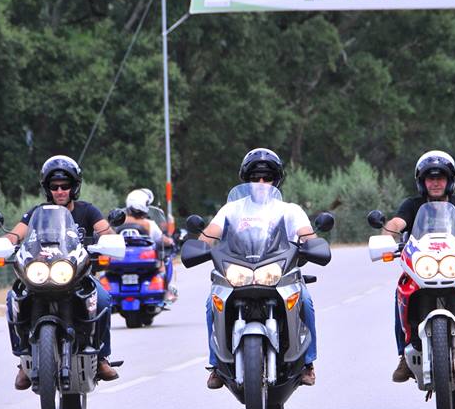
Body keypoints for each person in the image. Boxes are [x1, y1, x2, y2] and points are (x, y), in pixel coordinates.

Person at [196, 148, 318, 389]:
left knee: (305, 301)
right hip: (238, 272)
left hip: (279, 274)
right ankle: (217, 365)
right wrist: (201, 245)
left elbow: (307, 235)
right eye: (255, 178)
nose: (261, 183)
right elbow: (210, 235)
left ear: (276, 180)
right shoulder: (232, 209)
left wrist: (312, 244)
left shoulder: (289, 210)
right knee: (212, 304)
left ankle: (307, 363)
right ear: (246, 180)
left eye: (267, 177)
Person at [380, 150, 455, 382]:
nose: (435, 182)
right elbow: (397, 223)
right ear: (422, 182)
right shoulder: (413, 205)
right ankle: (404, 355)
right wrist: (388, 235)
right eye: (430, 178)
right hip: (421, 269)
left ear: (450, 180)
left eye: (440, 177)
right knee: (401, 292)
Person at [5, 155, 119, 389]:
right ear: (47, 189)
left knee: (104, 299)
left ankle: (102, 357)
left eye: (64, 186)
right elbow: (16, 234)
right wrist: (6, 243)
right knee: (12, 299)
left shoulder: (87, 211)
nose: (59, 191)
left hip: (78, 276)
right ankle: (24, 358)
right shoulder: (37, 213)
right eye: (54, 186)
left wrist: (106, 241)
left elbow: (107, 233)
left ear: (74, 187)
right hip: (40, 275)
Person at [122, 188, 176, 300]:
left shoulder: (120, 222)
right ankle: (166, 292)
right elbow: (161, 239)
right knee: (162, 264)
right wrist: (170, 241)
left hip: (122, 259)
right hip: (143, 260)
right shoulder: (149, 224)